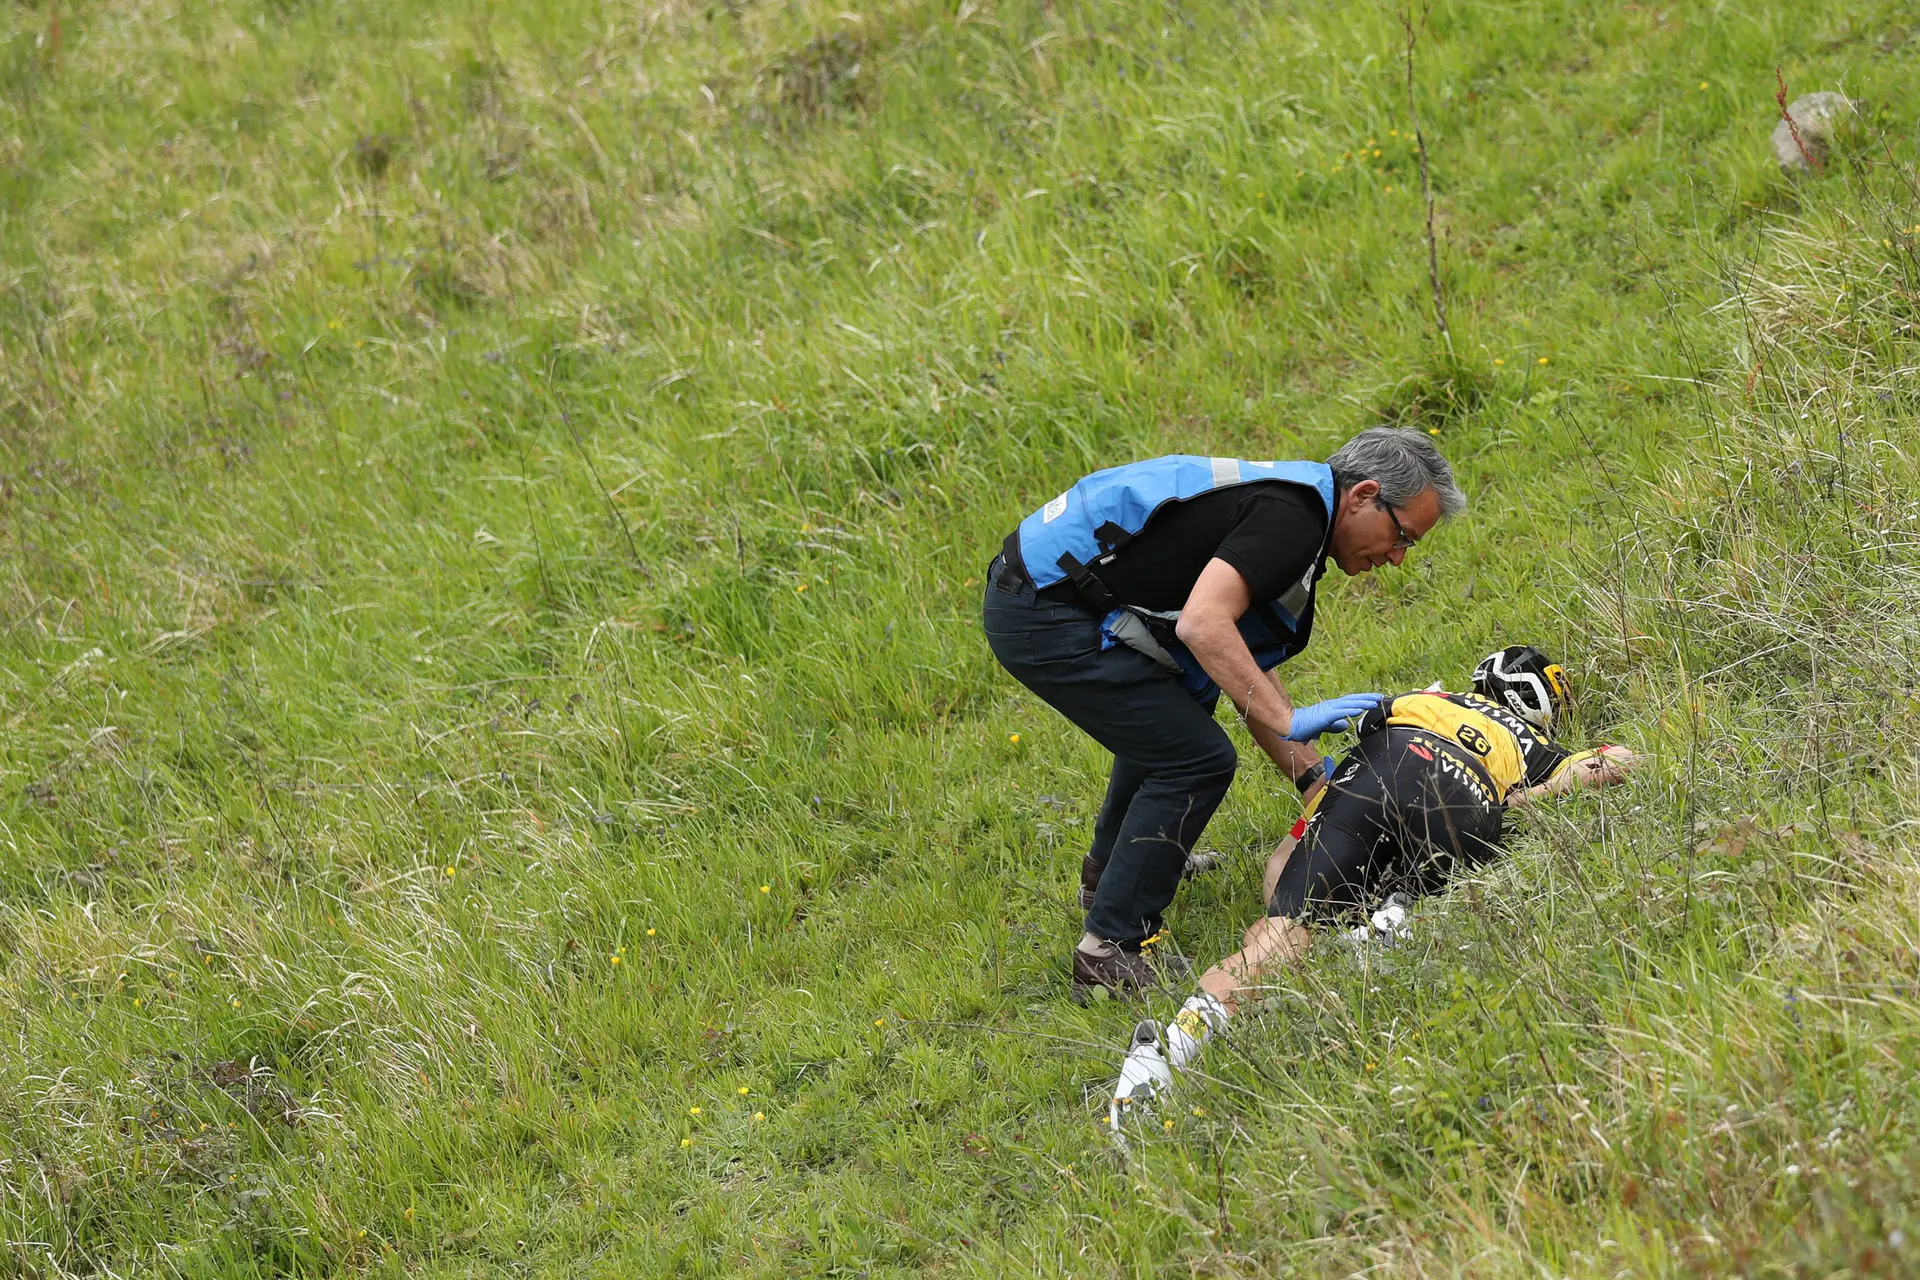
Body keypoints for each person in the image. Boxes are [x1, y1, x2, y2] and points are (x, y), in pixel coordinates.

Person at [982, 428, 1466, 1000]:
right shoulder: (1294, 520)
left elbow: (1237, 657)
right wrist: (1287, 721)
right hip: (1043, 608)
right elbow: (1202, 624)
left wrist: (1311, 778)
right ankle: (1110, 950)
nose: (1398, 558)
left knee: (1179, 711)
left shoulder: (1299, 502)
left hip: (1043, 589)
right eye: (1402, 535)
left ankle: (1111, 874)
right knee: (1195, 759)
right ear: (1363, 495)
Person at [1103, 646, 1637, 1131]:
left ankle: (1167, 1051)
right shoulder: (1536, 742)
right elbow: (1616, 762)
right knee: (1436, 886)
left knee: (1279, 932)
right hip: (1464, 795)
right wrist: (1524, 798)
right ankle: (1390, 921)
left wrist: (1290, 898)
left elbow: (1291, 848)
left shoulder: (1421, 698)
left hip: (1377, 770)